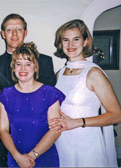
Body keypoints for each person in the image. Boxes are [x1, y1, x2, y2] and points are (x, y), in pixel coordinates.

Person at [0, 13, 57, 166]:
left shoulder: (45, 61)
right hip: (5, 139)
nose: (15, 34)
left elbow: (51, 103)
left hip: (40, 137)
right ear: (3, 34)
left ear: (26, 32)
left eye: (19, 29)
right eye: (10, 30)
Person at [49, 19, 121, 167]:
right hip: (62, 141)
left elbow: (116, 115)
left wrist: (76, 122)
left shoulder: (93, 73)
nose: (70, 45)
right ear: (60, 44)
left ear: (85, 42)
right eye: (66, 40)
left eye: (76, 39)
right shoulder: (60, 73)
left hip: (86, 142)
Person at [0, 42, 65, 167]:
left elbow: (55, 130)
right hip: (15, 157)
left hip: (44, 156)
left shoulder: (49, 92)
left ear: (35, 67)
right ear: (13, 68)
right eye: (18, 64)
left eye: (28, 64)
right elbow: (3, 130)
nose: (23, 69)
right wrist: (17, 157)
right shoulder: (6, 94)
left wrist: (32, 156)